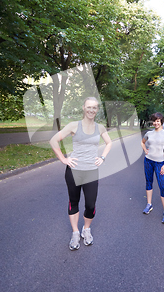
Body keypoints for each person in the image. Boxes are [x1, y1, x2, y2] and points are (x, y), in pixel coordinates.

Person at [49, 97, 112, 250]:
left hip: (91, 171)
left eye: (94, 108)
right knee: (74, 201)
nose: (91, 110)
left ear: (97, 110)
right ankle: (76, 232)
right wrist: (64, 159)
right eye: (89, 107)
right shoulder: (73, 125)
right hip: (74, 171)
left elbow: (109, 142)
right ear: (83, 108)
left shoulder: (100, 128)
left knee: (90, 204)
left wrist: (102, 157)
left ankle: (86, 229)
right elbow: (53, 140)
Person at [141, 112, 164, 224]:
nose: (156, 123)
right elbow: (143, 142)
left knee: (163, 186)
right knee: (149, 182)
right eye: (154, 121)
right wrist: (145, 150)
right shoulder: (149, 133)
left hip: (160, 163)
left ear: (161, 122)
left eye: (158, 121)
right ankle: (149, 204)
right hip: (148, 161)